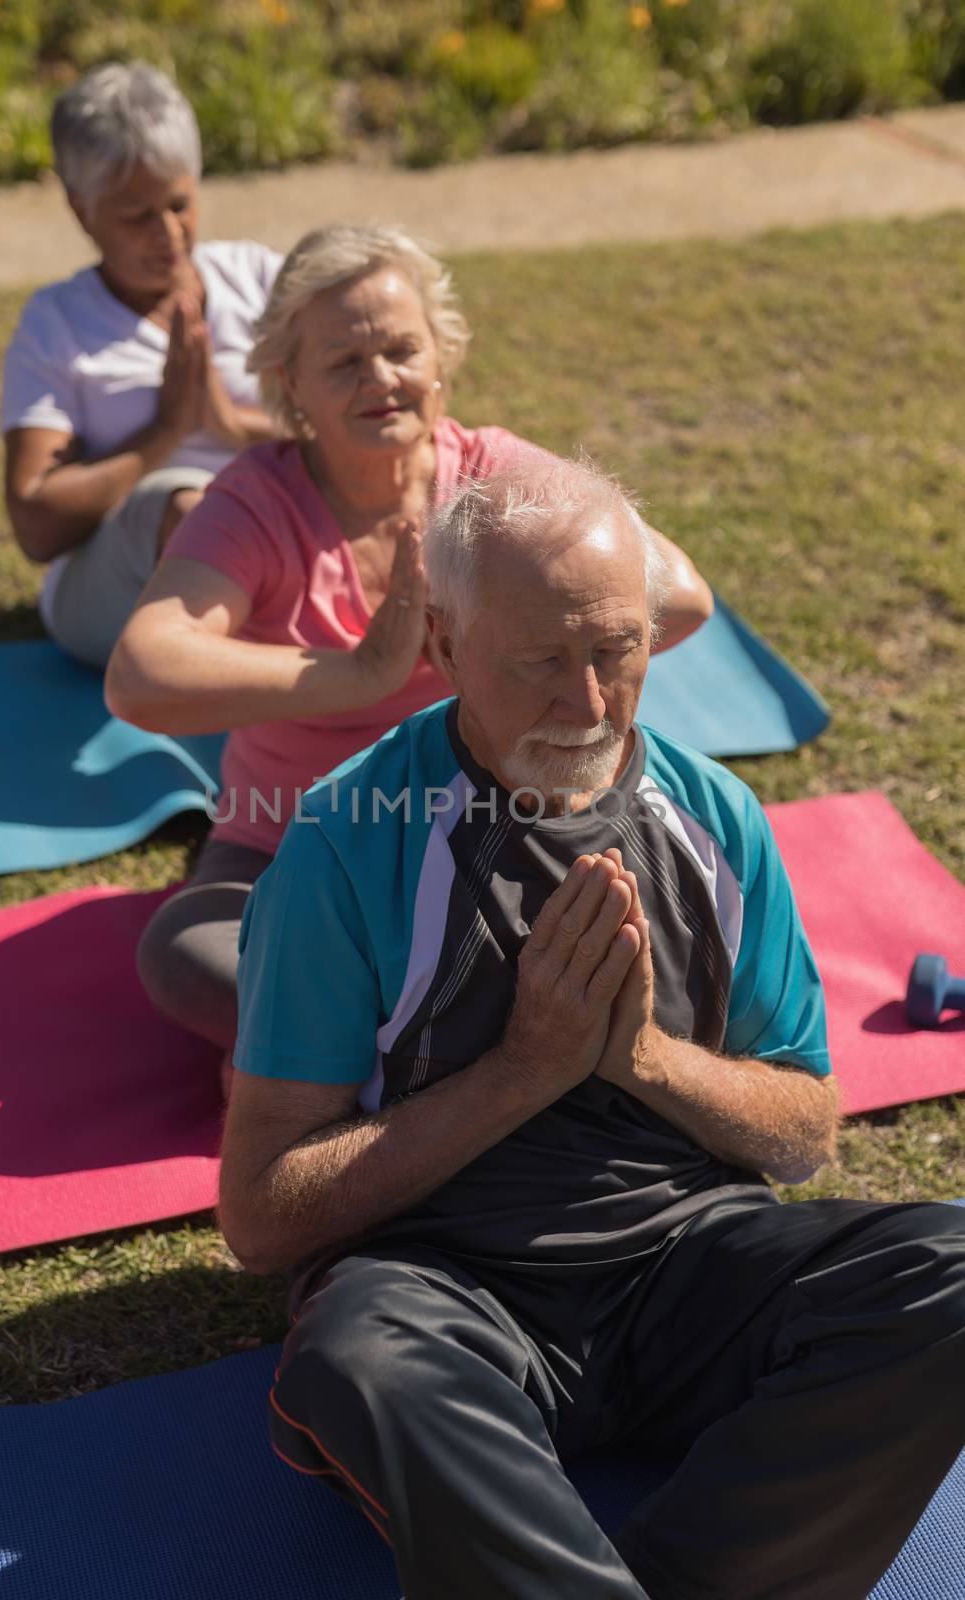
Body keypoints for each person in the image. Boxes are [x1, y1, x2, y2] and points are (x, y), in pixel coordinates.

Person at [216, 456, 965, 1600]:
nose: (588, 702)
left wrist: (644, 1058)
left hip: (687, 1266)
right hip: (447, 1285)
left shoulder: (714, 819)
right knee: (355, 1362)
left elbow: (803, 1130)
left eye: (616, 650)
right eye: (539, 662)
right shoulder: (345, 843)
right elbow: (263, 1215)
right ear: (447, 649)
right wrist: (522, 1071)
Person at [105, 223, 714, 1061]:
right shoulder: (255, 500)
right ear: (291, 385)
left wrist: (475, 653)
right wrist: (360, 674)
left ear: (441, 359)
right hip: (288, 842)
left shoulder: (494, 478)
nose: (381, 379)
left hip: (500, 828)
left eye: (401, 350)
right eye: (345, 362)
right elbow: (141, 672)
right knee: (187, 953)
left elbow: (679, 594)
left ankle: (400, 1035)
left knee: (645, 909)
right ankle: (479, 1032)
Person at [0, 61, 281, 668]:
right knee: (192, 507)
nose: (169, 233)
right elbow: (36, 524)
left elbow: (362, 431)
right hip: (112, 593)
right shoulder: (57, 323)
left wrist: (232, 425)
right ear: (81, 210)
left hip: (282, 548)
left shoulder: (260, 278)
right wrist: (166, 433)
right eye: (136, 216)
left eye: (179, 203)